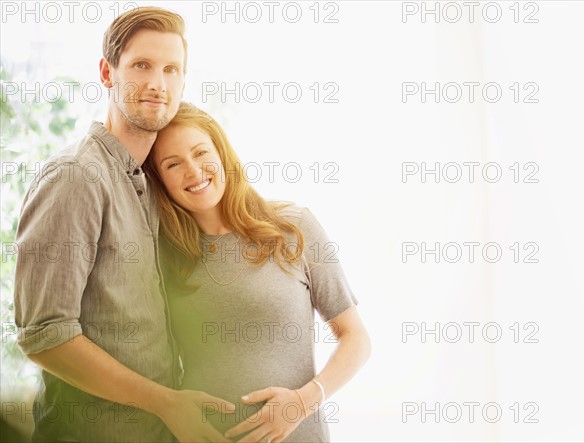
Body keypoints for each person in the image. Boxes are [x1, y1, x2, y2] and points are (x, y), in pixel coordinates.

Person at [13, 8, 233, 443]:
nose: (158, 84)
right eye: (141, 66)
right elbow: (45, 337)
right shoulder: (76, 177)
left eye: (172, 69)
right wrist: (166, 403)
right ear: (107, 72)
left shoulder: (153, 181)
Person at [144, 102, 371, 443]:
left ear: (222, 154)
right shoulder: (162, 255)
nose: (193, 171)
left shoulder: (293, 226)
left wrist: (302, 402)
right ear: (161, 180)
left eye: (200, 152)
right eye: (173, 164)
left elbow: (356, 338)